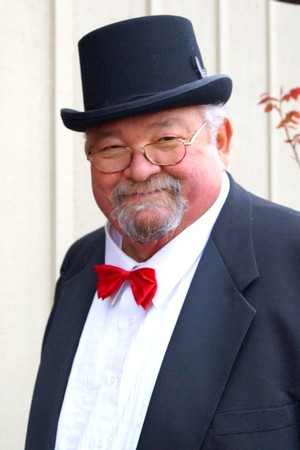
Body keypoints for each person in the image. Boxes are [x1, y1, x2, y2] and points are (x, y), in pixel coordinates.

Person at [25, 15, 300, 450]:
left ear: (222, 141)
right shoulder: (79, 267)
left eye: (167, 139)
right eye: (112, 147)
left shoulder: (292, 260)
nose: (140, 169)